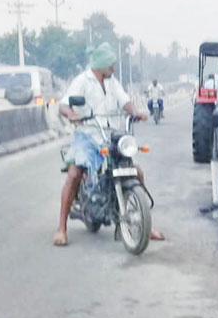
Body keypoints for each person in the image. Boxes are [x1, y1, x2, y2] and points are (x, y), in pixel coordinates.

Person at [53, 42, 165, 246]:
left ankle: (145, 225)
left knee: (135, 172)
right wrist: (71, 114)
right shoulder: (82, 81)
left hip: (111, 134)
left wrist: (134, 112)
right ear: (101, 64)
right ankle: (62, 228)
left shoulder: (112, 82)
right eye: (110, 64)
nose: (113, 68)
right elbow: (63, 104)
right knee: (74, 173)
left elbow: (124, 101)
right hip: (87, 134)